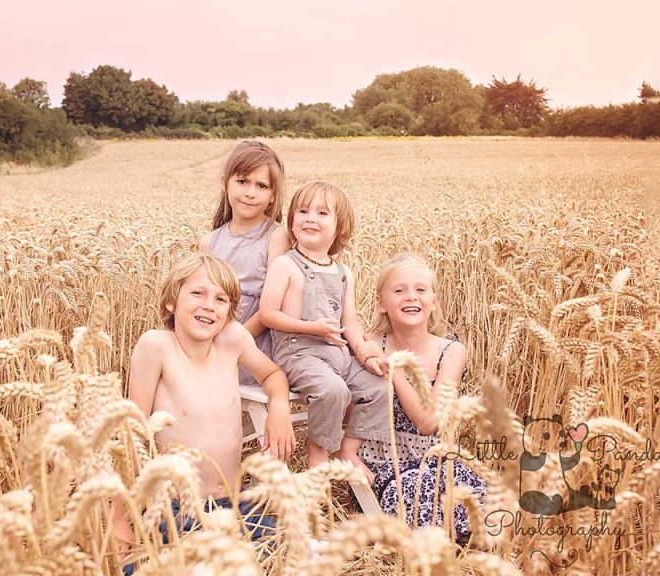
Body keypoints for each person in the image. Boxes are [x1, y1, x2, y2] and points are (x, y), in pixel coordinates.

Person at [114, 254, 296, 572]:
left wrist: (279, 407)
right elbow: (132, 435)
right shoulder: (157, 347)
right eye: (198, 293)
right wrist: (118, 520)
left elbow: (273, 376)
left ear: (228, 312)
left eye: (220, 298)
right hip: (174, 508)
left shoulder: (232, 340)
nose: (209, 305)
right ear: (172, 302)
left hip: (232, 506)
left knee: (290, 553)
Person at [260, 180, 389, 483]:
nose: (310, 218)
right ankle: (318, 451)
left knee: (380, 387)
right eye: (302, 211)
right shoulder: (285, 265)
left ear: (339, 228)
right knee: (334, 391)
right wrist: (311, 327)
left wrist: (366, 352)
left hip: (339, 354)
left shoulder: (344, 273)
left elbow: (351, 322)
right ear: (291, 222)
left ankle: (347, 450)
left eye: (321, 213)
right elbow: (268, 314)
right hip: (298, 352)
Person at [356, 253, 486, 541]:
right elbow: (351, 404)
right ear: (381, 302)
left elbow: (428, 422)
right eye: (399, 290)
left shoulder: (451, 351)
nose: (410, 297)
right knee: (416, 495)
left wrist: (392, 368)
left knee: (477, 506)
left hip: (437, 458)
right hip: (383, 462)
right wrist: (346, 454)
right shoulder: (367, 343)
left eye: (420, 289)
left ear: (433, 301)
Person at [200, 140, 292, 387]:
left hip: (256, 340)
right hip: (212, 334)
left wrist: (234, 340)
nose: (250, 192)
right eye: (242, 182)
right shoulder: (209, 242)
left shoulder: (276, 236)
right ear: (225, 183)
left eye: (261, 186)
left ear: (273, 196)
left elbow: (275, 303)